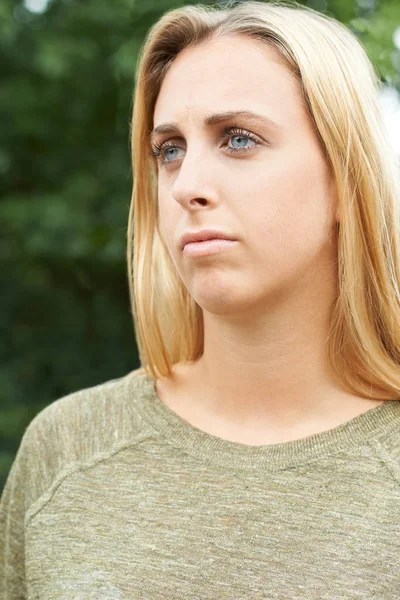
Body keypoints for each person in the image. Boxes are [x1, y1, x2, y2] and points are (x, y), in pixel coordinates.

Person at [2, 0, 400, 597]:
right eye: (169, 150)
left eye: (238, 139)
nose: (187, 185)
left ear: (346, 179)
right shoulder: (67, 450)